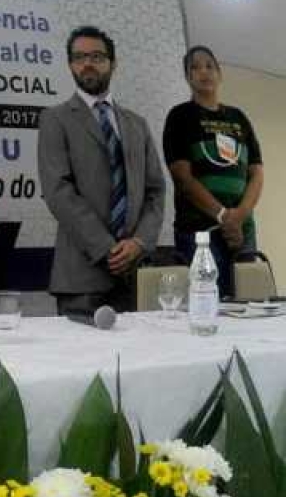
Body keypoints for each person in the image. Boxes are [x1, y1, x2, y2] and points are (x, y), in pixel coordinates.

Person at [39, 26, 166, 317]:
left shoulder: (137, 124)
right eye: (79, 57)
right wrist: (107, 248)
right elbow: (58, 191)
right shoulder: (54, 119)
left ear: (113, 63)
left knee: (138, 361)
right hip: (81, 278)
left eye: (97, 56)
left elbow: (155, 191)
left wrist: (139, 242)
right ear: (70, 65)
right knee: (84, 363)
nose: (88, 64)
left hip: (135, 275)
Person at [163, 45, 263, 298]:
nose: (203, 72)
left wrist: (239, 216)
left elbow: (257, 174)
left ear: (219, 73)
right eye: (194, 67)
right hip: (199, 232)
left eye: (209, 65)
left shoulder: (239, 118)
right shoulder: (180, 116)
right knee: (207, 302)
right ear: (187, 78)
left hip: (243, 229)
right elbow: (183, 178)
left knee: (248, 302)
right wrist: (223, 216)